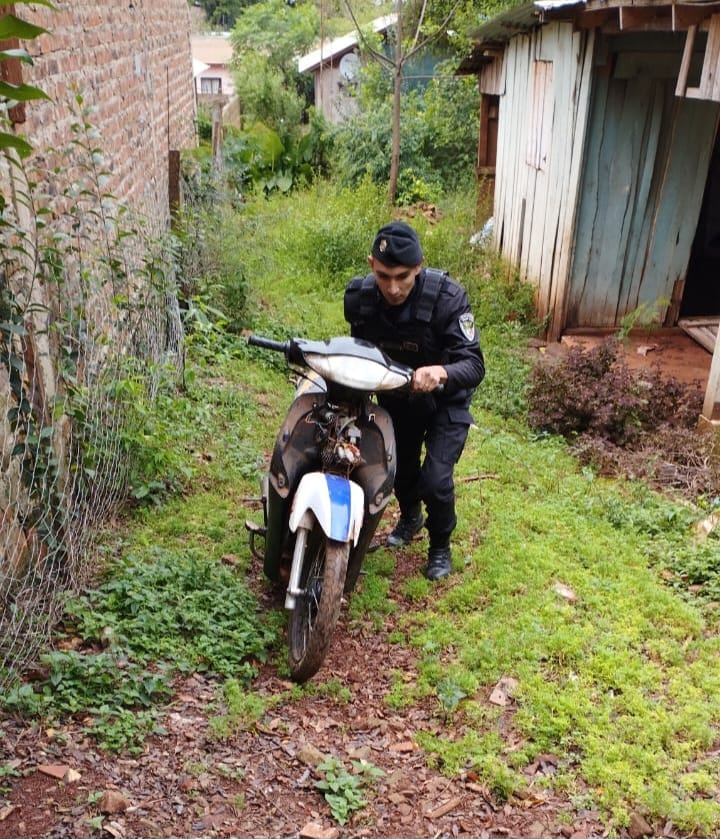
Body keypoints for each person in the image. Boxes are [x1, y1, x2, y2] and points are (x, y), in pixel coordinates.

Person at [344, 221, 485, 581]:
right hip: (398, 399)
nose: (393, 287)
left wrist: (441, 372)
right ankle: (410, 516)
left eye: (403, 276)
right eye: (384, 276)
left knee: (435, 479)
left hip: (445, 403)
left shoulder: (448, 298)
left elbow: (474, 364)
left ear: (419, 266)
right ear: (371, 265)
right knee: (399, 470)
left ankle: (440, 545)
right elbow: (358, 352)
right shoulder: (360, 300)